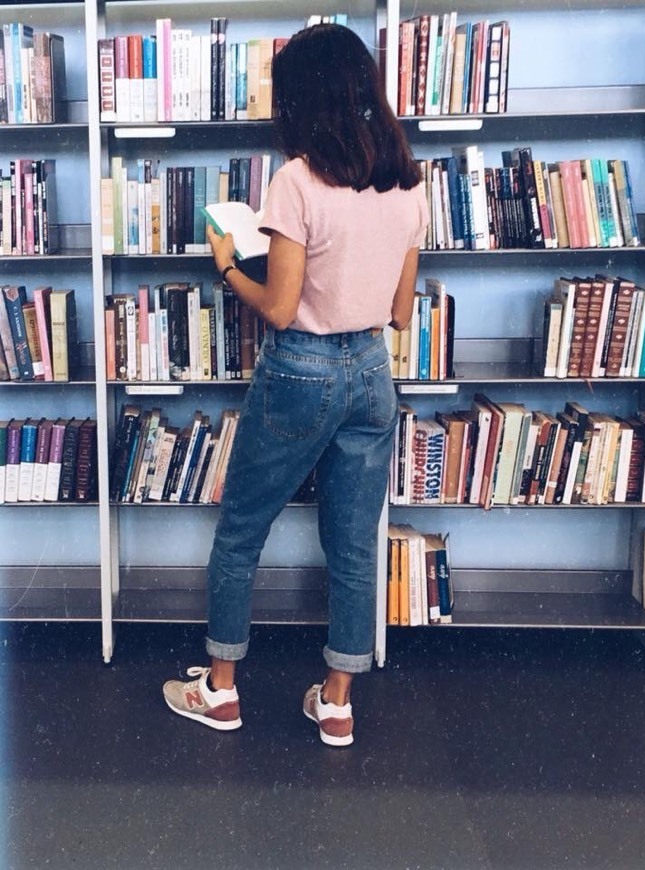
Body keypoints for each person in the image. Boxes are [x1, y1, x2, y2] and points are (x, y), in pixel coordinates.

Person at [163, 23, 428, 746]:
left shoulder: (297, 180)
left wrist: (225, 264)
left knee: (242, 530)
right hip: (373, 373)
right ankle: (336, 703)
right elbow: (402, 312)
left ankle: (219, 691)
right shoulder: (410, 184)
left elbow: (280, 306)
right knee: (350, 544)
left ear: (302, 99)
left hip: (301, 371)